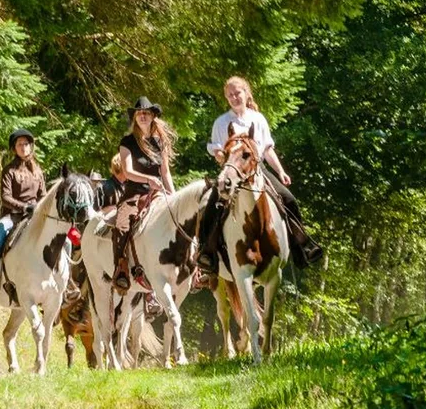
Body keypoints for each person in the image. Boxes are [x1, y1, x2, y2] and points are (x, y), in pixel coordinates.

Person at [197, 76, 323, 272]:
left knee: (288, 199)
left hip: (257, 170)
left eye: (237, 93)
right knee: (212, 205)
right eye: (230, 95)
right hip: (232, 171)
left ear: (246, 93)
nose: (234, 97)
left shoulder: (258, 119)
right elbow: (216, 151)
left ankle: (302, 245)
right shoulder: (221, 123)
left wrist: (280, 171)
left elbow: (267, 150)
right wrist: (222, 157)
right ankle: (207, 253)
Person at [0, 128, 46, 309]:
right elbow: (6, 197)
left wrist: (39, 207)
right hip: (12, 217)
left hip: (35, 218)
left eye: (26, 144)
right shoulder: (9, 170)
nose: (24, 147)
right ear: (14, 149)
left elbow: (43, 195)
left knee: (62, 240)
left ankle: (65, 288)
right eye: (20, 144)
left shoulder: (38, 171)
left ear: (31, 147)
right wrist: (24, 207)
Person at [112, 96, 177, 292]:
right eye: (139, 113)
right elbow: (128, 171)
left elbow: (165, 172)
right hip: (134, 194)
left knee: (180, 218)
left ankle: (190, 266)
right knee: (121, 226)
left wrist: (173, 195)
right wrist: (149, 180)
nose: (142, 116)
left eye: (146, 113)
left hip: (158, 194)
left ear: (152, 117)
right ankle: (121, 267)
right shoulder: (127, 142)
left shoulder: (160, 142)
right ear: (135, 118)